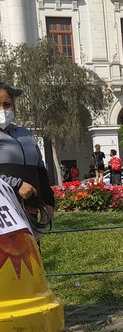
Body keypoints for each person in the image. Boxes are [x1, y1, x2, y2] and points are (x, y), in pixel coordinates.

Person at [0, 81, 55, 238]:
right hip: (4, 219)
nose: (2, 110)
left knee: (30, 261)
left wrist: (49, 203)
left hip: (30, 214)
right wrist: (16, 185)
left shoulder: (26, 134)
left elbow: (40, 171)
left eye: (7, 104)